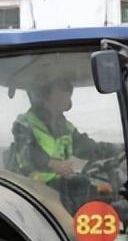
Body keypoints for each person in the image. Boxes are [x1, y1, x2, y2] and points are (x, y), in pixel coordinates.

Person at [9, 77, 120, 206]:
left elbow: (86, 146)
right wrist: (53, 164)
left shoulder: (65, 127)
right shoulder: (25, 123)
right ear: (47, 96)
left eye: (68, 94)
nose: (67, 99)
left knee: (98, 192)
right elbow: (26, 151)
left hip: (61, 182)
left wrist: (115, 149)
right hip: (32, 187)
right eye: (62, 93)